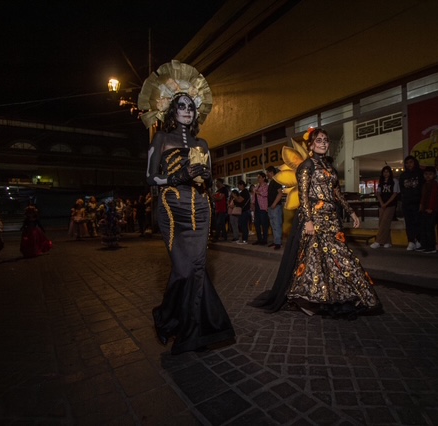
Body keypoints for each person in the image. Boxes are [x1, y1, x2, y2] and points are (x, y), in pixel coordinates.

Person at [142, 61, 235, 354]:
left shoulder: (203, 143)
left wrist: (206, 177)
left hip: (200, 208)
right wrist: (176, 176)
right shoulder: (161, 138)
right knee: (183, 271)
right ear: (172, 110)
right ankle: (165, 318)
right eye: (181, 106)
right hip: (172, 208)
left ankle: (193, 332)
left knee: (196, 270)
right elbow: (149, 178)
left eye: (190, 107)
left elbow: (207, 179)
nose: (186, 110)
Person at [251, 128, 382, 318]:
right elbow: (304, 195)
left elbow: (337, 193)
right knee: (313, 262)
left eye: (326, 140)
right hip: (315, 218)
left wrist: (351, 211)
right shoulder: (306, 166)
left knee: (340, 258)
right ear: (311, 145)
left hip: (332, 219)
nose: (323, 143)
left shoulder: (329, 167)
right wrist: (309, 221)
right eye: (318, 140)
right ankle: (304, 298)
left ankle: (344, 296)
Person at [398, 155, 424, 251]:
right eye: (407, 163)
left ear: (415, 163)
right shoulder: (403, 175)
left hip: (417, 202)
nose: (409, 164)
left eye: (411, 162)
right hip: (407, 202)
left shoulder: (420, 173)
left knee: (418, 221)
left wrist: (422, 202)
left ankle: (419, 240)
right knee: (408, 222)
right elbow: (401, 189)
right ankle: (411, 241)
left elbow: (423, 188)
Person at [370, 165, 399, 249]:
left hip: (390, 205)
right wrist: (382, 203)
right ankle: (388, 241)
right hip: (382, 205)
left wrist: (386, 203)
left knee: (385, 221)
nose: (386, 173)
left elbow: (395, 193)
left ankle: (378, 241)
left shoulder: (394, 181)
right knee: (382, 222)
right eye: (384, 172)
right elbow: (378, 194)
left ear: (390, 173)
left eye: (387, 172)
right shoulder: (381, 182)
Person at [417, 166, 438, 254]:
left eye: (430, 174)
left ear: (434, 175)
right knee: (423, 228)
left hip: (431, 210)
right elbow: (423, 197)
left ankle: (431, 246)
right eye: (426, 174)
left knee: (429, 228)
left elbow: (433, 197)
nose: (428, 176)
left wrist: (431, 208)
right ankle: (424, 245)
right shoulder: (425, 184)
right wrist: (421, 207)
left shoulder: (434, 184)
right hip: (424, 209)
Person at [266, 166, 284, 250]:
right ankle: (276, 241)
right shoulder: (271, 182)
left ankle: (278, 243)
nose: (267, 174)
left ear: (271, 172)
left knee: (276, 225)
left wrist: (274, 204)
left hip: (275, 207)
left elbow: (280, 193)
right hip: (271, 207)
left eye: (268, 172)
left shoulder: (276, 181)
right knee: (273, 225)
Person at [252, 172, 269, 245]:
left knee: (264, 224)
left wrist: (257, 192)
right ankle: (259, 239)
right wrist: (252, 204)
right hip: (257, 208)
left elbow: (265, 194)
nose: (258, 179)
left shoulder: (266, 186)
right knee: (257, 224)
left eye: (259, 177)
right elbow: (253, 196)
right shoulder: (257, 186)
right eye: (257, 177)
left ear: (263, 178)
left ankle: (264, 240)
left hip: (263, 208)